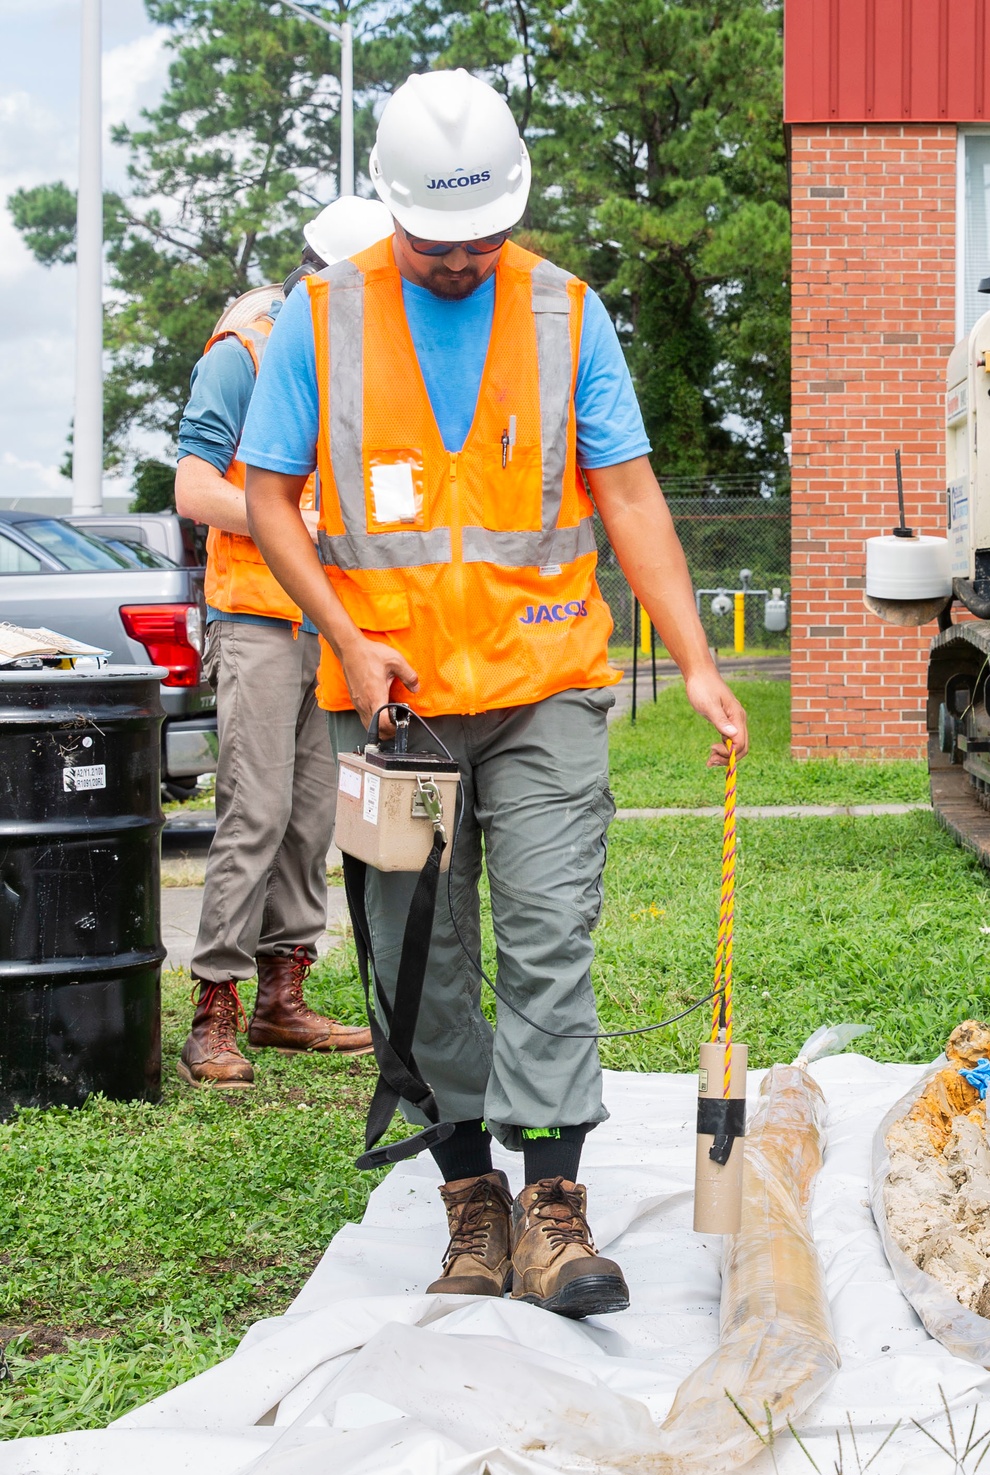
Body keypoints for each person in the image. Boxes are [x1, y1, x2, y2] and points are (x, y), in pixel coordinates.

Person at [238, 72, 749, 1316]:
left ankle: (554, 1214)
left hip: (545, 688)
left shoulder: (570, 314)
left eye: (481, 238)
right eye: (433, 241)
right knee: (417, 951)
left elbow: (626, 494)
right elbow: (267, 496)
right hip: (392, 705)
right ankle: (471, 1202)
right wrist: (349, 641)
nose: (460, 260)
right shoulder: (320, 318)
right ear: (390, 212)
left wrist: (692, 657)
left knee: (547, 933)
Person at [174, 195, 393, 1089]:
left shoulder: (361, 354)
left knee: (309, 821)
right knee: (255, 815)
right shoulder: (248, 349)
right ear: (326, 273)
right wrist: (287, 521)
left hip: (329, 623)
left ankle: (282, 1000)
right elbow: (194, 488)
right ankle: (213, 1011)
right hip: (259, 618)